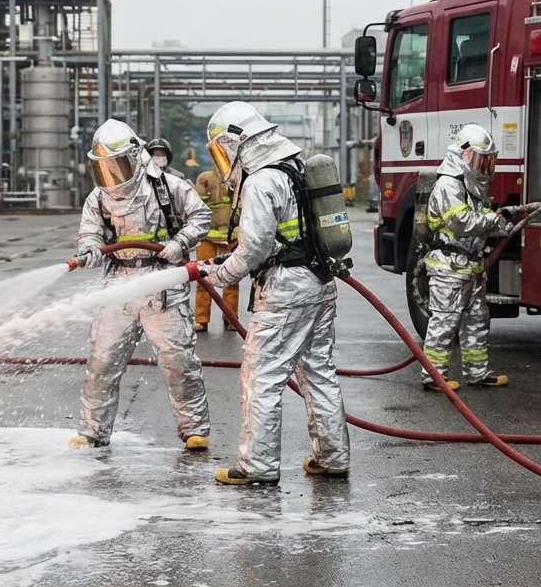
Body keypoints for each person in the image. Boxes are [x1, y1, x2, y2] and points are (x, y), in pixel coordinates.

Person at [200, 101, 350, 485]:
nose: (223, 159)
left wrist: (219, 274)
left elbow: (254, 249)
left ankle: (257, 466)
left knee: (261, 379)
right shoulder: (295, 168)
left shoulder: (261, 180)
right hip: (319, 283)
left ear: (238, 143)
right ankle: (333, 457)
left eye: (222, 149)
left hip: (285, 290)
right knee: (320, 374)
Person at [71, 119, 212, 451]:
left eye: (117, 165)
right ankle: (93, 430)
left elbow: (201, 216)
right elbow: (90, 230)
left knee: (178, 362)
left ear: (135, 156)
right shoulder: (100, 197)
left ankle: (194, 430)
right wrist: (90, 248)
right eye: (104, 168)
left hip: (162, 283)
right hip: (118, 285)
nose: (112, 175)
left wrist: (179, 243)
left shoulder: (166, 186)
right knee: (102, 361)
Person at [421, 124, 538, 391]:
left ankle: (477, 372)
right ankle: (434, 377)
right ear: (463, 154)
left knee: (477, 320)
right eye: (479, 160)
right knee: (445, 322)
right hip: (448, 268)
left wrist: (501, 221)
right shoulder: (448, 184)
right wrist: (493, 221)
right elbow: (461, 222)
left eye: (488, 161)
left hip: (471, 267)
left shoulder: (474, 187)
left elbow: (482, 220)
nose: (484, 167)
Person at [193, 155, 239, 332]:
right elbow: (197, 208)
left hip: (231, 235)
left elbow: (242, 207)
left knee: (232, 277)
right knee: (203, 277)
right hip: (207, 237)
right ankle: (201, 319)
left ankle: (230, 318)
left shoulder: (236, 181)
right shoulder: (205, 179)